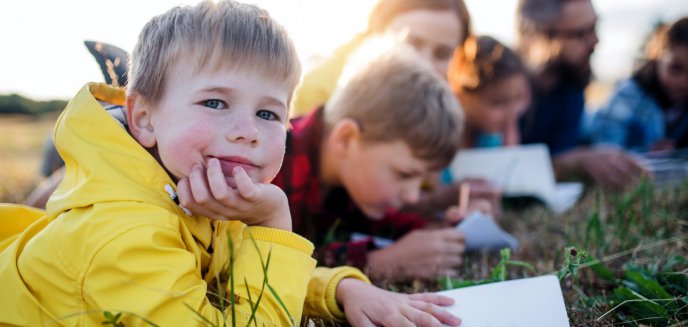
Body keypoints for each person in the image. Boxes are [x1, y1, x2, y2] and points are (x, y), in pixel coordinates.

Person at [0, 2, 462, 326]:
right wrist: (275, 223)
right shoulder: (124, 234)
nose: (249, 131)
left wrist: (340, 289)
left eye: (268, 113)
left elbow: (231, 271)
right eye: (216, 102)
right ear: (143, 117)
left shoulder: (193, 189)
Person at [179, 40, 469, 283]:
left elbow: (378, 223)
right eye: (405, 174)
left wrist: (437, 228)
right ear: (345, 139)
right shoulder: (266, 166)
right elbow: (248, 261)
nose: (412, 194)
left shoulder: (351, 175)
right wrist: (381, 263)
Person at [515, 0, 647, 190]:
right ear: (541, 36)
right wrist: (574, 163)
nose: (595, 41)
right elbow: (499, 169)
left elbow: (563, 152)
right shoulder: (502, 88)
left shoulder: (570, 87)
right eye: (581, 33)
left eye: (594, 28)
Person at [292, 0, 472, 116]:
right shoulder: (317, 93)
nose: (424, 64)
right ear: (377, 29)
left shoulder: (445, 107)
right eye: (411, 44)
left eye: (443, 54)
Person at [590, 17, 688, 152]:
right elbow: (605, 149)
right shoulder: (627, 96)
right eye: (675, 69)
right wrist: (647, 153)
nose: (684, 82)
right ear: (658, 57)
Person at [448, 35, 532, 149]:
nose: (511, 114)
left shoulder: (493, 135)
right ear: (461, 95)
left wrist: (510, 134)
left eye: (517, 98)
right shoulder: (443, 136)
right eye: (498, 102)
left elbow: (510, 157)